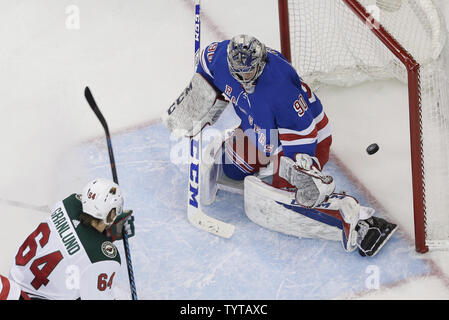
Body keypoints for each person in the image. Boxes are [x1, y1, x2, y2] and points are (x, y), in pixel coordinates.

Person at [163, 34, 397, 257]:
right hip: (261, 128)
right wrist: (195, 106)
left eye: (250, 71)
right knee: (231, 169)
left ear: (261, 60)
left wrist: (301, 173)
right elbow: (204, 68)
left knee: (290, 195)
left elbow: (306, 135)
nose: (246, 78)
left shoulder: (280, 89)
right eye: (240, 73)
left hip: (303, 137)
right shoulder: (219, 57)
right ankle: (269, 165)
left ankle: (355, 219)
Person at [0, 178, 135, 300]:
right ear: (111, 214)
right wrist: (108, 234)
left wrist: (106, 233)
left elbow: (79, 232)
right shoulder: (104, 257)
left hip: (17, 280)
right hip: (34, 293)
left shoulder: (67, 204)